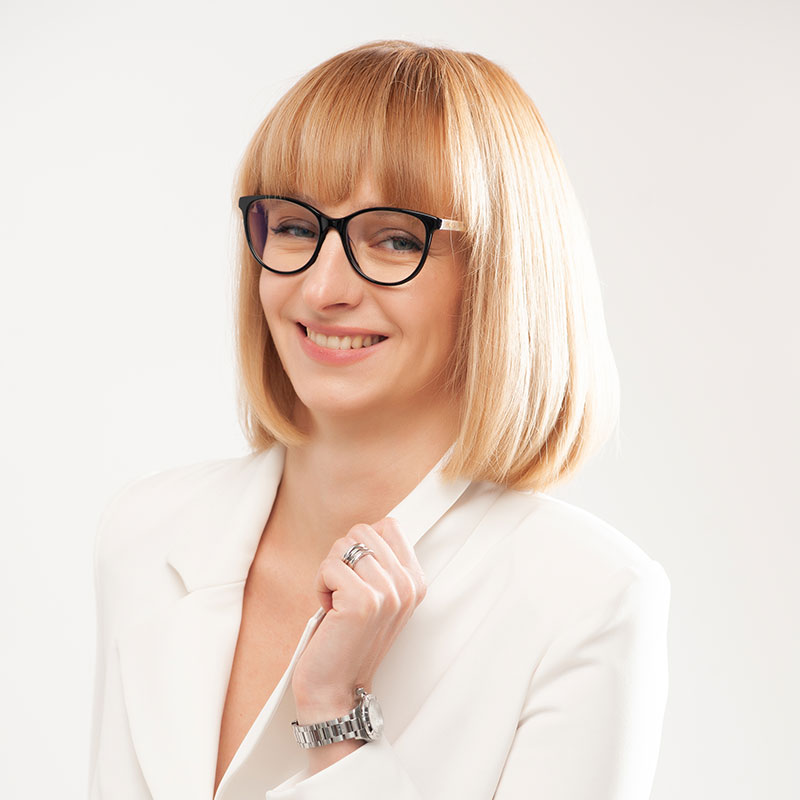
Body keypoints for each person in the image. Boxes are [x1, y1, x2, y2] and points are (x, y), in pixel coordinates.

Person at [89, 40, 670, 800]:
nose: (323, 288)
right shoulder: (147, 531)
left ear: (497, 275)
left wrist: (338, 718)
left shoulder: (589, 597)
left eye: (395, 238)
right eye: (295, 227)